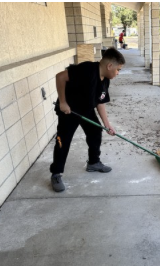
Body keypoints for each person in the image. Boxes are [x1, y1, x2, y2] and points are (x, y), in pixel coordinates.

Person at [49, 47, 125, 192]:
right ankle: (56, 174)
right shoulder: (87, 69)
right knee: (62, 141)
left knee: (96, 131)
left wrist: (107, 125)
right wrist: (63, 102)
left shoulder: (106, 80)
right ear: (110, 66)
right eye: (118, 69)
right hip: (70, 111)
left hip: (86, 109)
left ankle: (93, 162)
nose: (118, 73)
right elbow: (60, 77)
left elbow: (100, 101)